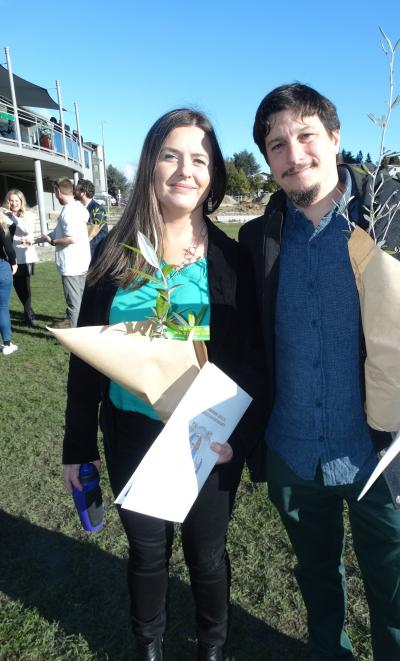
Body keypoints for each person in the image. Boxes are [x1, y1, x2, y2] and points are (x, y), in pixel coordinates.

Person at [239, 83, 400, 661]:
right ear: (267, 159)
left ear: (335, 138)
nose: (293, 155)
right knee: (319, 590)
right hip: (293, 457)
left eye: (305, 136)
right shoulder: (256, 239)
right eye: (276, 145)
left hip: (384, 454)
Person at [62, 109, 256, 661]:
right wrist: (78, 447)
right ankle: (147, 647)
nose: (184, 170)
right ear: (151, 163)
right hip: (131, 434)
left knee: (207, 556)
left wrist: (235, 442)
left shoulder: (230, 259)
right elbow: (86, 362)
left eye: (199, 159)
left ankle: (211, 648)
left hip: (207, 441)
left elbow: (251, 364)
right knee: (147, 554)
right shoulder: (114, 253)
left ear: (213, 173)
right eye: (171, 155)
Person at [36, 177, 90, 328]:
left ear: (58, 191)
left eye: (54, 191)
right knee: (80, 302)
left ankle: (76, 339)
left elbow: (70, 238)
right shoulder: (79, 208)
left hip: (71, 266)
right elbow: (59, 232)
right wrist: (37, 240)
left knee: (74, 305)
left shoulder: (69, 211)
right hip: (81, 263)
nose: (55, 194)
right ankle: (84, 332)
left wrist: (52, 242)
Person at [3, 189, 39, 327]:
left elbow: (26, 230)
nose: (13, 203)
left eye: (16, 200)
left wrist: (13, 217)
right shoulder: (6, 215)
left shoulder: (28, 215)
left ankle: (29, 318)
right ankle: (29, 314)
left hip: (26, 257)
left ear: (21, 201)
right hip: (12, 258)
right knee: (18, 288)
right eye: (11, 200)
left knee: (26, 288)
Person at [74, 178, 109, 256]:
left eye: (76, 190)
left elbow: (103, 233)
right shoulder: (77, 208)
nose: (74, 192)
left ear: (83, 192)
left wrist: (87, 247)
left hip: (94, 253)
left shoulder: (98, 209)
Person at [0, 210, 18, 355]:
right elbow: (9, 248)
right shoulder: (1, 225)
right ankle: (7, 343)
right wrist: (14, 262)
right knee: (3, 307)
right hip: (1, 267)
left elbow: (13, 228)